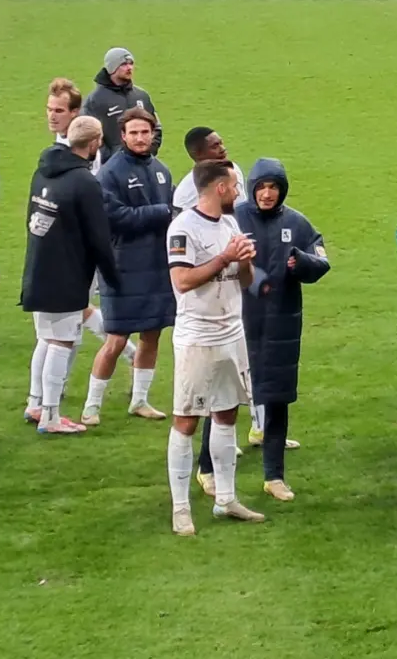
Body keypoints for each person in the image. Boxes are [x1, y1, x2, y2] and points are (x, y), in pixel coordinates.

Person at [165, 160, 267, 534]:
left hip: (231, 333)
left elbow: (246, 280)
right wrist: (225, 257)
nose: (240, 191)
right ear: (220, 187)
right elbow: (182, 280)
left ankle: (226, 499)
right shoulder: (183, 229)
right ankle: (180, 508)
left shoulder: (230, 224)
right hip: (198, 338)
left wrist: (245, 262)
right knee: (186, 419)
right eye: (235, 185)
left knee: (227, 414)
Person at [234, 159, 330, 501]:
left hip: (282, 322)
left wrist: (301, 263)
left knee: (276, 398)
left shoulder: (296, 222)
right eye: (261, 187)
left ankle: (274, 476)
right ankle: (208, 468)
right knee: (225, 399)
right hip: (238, 321)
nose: (267, 194)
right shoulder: (234, 218)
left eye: (273, 187)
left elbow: (321, 259)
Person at [20, 117, 124, 434]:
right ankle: (51, 417)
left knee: (46, 338)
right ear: (93, 144)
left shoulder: (42, 169)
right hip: (67, 273)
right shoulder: (85, 182)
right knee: (62, 342)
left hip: (37, 265)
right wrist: (113, 279)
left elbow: (32, 217)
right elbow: (98, 237)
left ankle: (35, 403)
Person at [84, 108, 177, 425]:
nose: (140, 138)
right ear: (122, 136)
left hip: (158, 267)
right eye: (133, 133)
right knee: (116, 340)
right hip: (122, 267)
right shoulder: (109, 174)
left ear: (153, 134)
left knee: (152, 336)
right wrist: (162, 212)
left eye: (145, 132)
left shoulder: (162, 170)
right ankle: (91, 406)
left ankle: (140, 400)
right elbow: (116, 218)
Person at [83, 46, 163, 162]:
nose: (129, 68)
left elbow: (156, 127)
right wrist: (110, 159)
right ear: (112, 68)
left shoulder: (141, 96)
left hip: (144, 162)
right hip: (113, 167)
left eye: (131, 64)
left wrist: (149, 151)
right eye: (124, 64)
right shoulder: (95, 100)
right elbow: (90, 134)